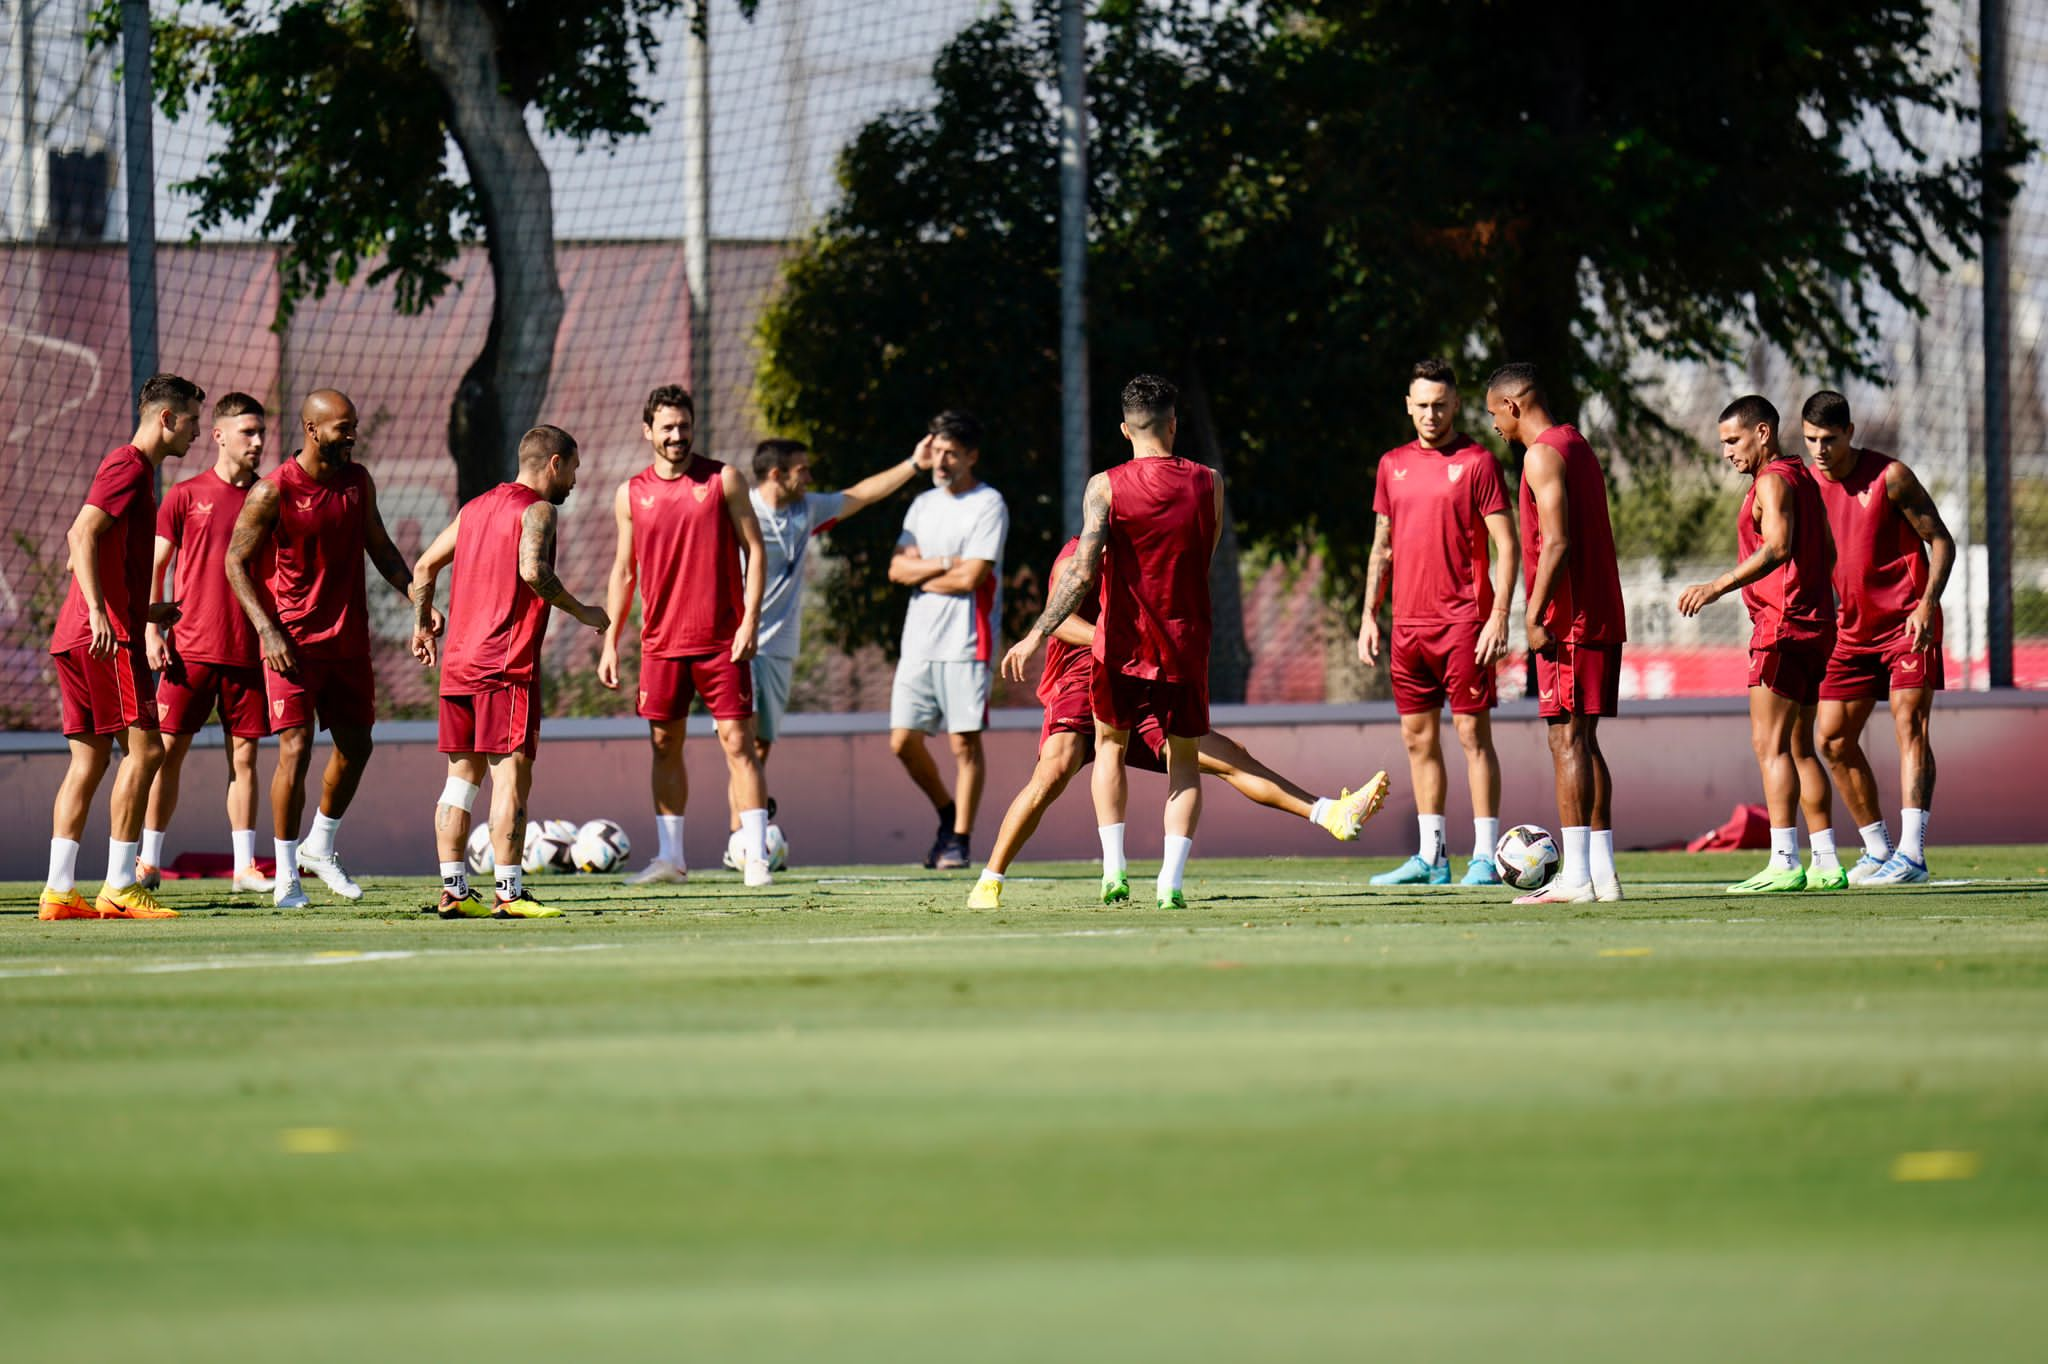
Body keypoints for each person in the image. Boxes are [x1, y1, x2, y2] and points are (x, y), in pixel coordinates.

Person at [969, 538, 1387, 908]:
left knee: (1225, 756)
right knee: (1055, 769)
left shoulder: (1159, 557)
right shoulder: (1078, 556)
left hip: (1142, 677)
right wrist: (1114, 641)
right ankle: (990, 880)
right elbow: (1059, 620)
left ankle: (1330, 813)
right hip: (1084, 675)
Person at [1002, 374, 1221, 909]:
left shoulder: (1104, 486)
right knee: (1185, 762)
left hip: (1120, 645)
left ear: (1126, 429)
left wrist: (1036, 634)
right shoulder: (1209, 481)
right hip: (1185, 643)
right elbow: (1204, 556)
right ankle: (1170, 882)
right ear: (1174, 423)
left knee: (1108, 749)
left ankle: (1114, 869)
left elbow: (1080, 574)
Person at [226, 388, 433, 908]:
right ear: (313, 430)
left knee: (357, 746)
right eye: (344, 428)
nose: (352, 436)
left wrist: (418, 600)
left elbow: (381, 548)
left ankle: (320, 845)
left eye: (354, 426)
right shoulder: (272, 491)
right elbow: (234, 562)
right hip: (291, 645)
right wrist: (267, 631)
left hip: (348, 642)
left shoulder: (358, 481)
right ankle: (287, 872)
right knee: (293, 751)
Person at [410, 425, 609, 919]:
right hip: (505, 666)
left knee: (459, 781)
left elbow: (422, 568)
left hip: (458, 665)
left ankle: (454, 891)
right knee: (511, 782)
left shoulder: (473, 509)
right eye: (574, 470)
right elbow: (531, 571)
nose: (574, 484)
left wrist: (422, 626)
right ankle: (510, 893)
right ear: (555, 463)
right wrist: (583, 610)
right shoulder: (536, 510)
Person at [719, 434, 937, 868]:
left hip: (779, 648)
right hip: (739, 644)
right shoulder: (741, 511)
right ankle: (741, 841)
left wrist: (914, 463)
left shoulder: (806, 509)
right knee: (739, 744)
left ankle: (743, 839)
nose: (811, 477)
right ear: (778, 474)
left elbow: (857, 495)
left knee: (758, 749)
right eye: (803, 469)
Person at [39, 374, 203, 920]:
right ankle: (119, 885)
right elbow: (78, 538)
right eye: (193, 421)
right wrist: (102, 613)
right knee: (148, 751)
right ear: (166, 418)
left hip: (81, 635)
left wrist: (141, 609)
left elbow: (82, 557)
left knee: (87, 761)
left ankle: (59, 892)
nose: (198, 433)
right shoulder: (128, 465)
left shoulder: (137, 474)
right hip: (104, 640)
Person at [597, 385, 775, 886]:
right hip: (660, 645)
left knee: (739, 743)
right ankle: (671, 858)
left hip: (722, 641)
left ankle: (757, 857)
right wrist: (611, 641)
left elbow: (756, 552)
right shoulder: (631, 493)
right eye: (667, 427)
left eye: (684, 426)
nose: (677, 435)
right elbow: (623, 572)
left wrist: (750, 621)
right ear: (648, 431)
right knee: (662, 744)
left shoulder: (724, 480)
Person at [1358, 359, 1518, 886]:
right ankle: (1431, 858)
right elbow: (1382, 546)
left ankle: (1485, 857)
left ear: (1456, 406)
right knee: (1417, 740)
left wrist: (1498, 615)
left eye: (1441, 404)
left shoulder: (1477, 463)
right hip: (1407, 627)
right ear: (1409, 405)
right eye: (1422, 404)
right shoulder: (1391, 464)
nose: (1431, 413)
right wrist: (1369, 616)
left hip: (1463, 624)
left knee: (1473, 736)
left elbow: (1507, 545)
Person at [1678, 394, 1839, 893]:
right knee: (1799, 747)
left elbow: (1778, 546)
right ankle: (1827, 864)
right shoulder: (1801, 477)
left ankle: (1785, 860)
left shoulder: (1771, 480)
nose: (1726, 451)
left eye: (1733, 439)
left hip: (1782, 627)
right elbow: (1828, 549)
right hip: (1814, 625)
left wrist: (1716, 585)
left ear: (1763, 432)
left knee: (1768, 747)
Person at [1483, 363, 1628, 904]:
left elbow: (1558, 542)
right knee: (1584, 741)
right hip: (1598, 615)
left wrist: (1533, 614)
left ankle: (1576, 878)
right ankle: (1603, 873)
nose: (1495, 427)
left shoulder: (1541, 453)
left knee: (1565, 739)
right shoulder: (1577, 444)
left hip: (1570, 621)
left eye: (1494, 414)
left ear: (1513, 406)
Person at [1803, 390, 1954, 886]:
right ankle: (1877, 849)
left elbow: (1941, 541)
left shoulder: (1891, 477)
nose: (1820, 450)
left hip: (1907, 625)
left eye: (1828, 439)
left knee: (1910, 723)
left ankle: (1912, 855)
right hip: (1850, 633)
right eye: (1810, 440)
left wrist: (1928, 605)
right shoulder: (1806, 485)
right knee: (1831, 739)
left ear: (1849, 433)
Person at [135, 392, 274, 894]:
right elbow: (156, 566)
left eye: (261, 433)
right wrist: (152, 629)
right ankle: (146, 862)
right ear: (218, 436)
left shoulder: (268, 497)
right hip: (187, 652)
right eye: (248, 433)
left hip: (248, 653)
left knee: (245, 760)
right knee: (166, 754)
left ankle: (244, 868)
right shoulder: (185, 495)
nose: (258, 442)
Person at [887, 411, 1009, 870]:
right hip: (918, 643)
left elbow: (973, 577)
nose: (941, 461)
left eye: (951, 453)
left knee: (964, 744)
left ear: (971, 456)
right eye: (937, 451)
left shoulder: (988, 504)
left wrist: (926, 573)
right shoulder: (922, 505)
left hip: (965, 642)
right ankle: (947, 812)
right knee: (903, 741)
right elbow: (897, 569)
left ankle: (959, 840)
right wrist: (944, 563)